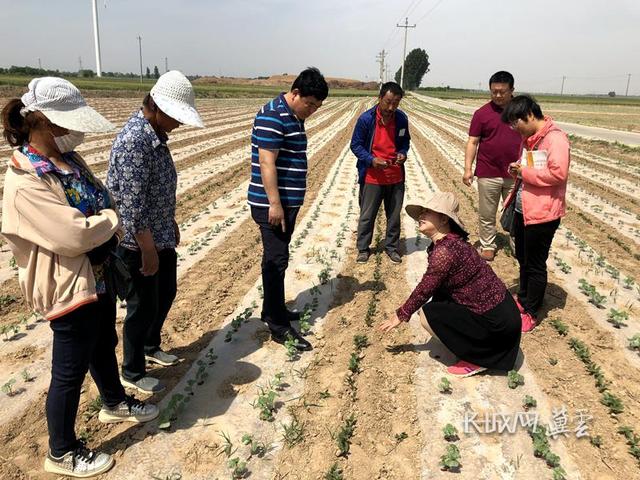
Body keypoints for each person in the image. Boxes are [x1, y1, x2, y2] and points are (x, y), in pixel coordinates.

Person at [1, 77, 158, 478]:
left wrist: (102, 220)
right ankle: (61, 450)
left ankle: (113, 401)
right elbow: (74, 234)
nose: (73, 129)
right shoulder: (25, 179)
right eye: (67, 121)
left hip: (97, 276)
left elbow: (102, 199)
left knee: (104, 342)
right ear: (46, 122)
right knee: (68, 370)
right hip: (66, 283)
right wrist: (109, 221)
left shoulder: (67, 161)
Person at [107, 71, 204, 394]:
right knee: (141, 306)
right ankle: (132, 370)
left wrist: (170, 220)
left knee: (165, 294)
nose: (178, 124)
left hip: (159, 232)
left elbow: (156, 190)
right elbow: (132, 206)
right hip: (138, 243)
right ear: (157, 107)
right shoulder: (136, 141)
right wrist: (147, 249)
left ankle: (151, 345)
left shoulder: (155, 136)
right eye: (175, 116)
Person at [379, 192, 521, 377]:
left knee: (428, 315)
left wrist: (401, 314)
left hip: (498, 327)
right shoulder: (453, 242)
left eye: (427, 212)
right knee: (441, 299)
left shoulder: (445, 251)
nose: (421, 216)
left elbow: (425, 289)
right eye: (421, 212)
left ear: (444, 219)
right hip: (505, 318)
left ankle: (478, 358)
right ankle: (476, 342)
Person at [247, 67, 329, 351]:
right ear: (295, 93)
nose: (313, 110)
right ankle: (279, 327)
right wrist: (275, 204)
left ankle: (273, 310)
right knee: (277, 259)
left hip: (285, 203)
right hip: (273, 204)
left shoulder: (291, 114)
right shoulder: (273, 116)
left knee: (275, 258)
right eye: (310, 104)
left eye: (317, 106)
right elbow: (267, 163)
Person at [501, 95, 570, 332]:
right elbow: (529, 167)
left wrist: (525, 173)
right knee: (522, 258)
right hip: (524, 209)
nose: (514, 128)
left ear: (528, 115)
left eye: (515, 123)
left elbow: (558, 174)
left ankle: (532, 311)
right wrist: (517, 169)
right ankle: (522, 298)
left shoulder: (555, 139)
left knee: (535, 263)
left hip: (543, 213)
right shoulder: (529, 139)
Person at [463, 71, 521, 261]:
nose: (497, 95)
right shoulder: (482, 114)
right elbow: (473, 142)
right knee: (487, 213)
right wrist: (468, 169)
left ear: (512, 90)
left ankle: (517, 244)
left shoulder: (521, 111)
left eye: (502, 92)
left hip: (517, 173)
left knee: (517, 213)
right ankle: (488, 244)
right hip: (488, 171)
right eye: (494, 91)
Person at [351, 81, 410, 264]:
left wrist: (402, 153)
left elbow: (405, 142)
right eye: (388, 102)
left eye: (396, 103)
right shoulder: (366, 119)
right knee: (367, 215)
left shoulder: (401, 119)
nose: (391, 107)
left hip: (395, 176)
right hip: (372, 176)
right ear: (380, 98)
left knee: (394, 215)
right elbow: (356, 145)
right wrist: (371, 160)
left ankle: (391, 247)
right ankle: (363, 248)